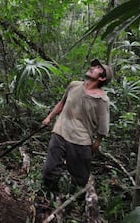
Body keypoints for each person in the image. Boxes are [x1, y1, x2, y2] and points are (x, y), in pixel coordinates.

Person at [41, 59, 113, 193]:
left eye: (98, 68)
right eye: (93, 65)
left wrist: (96, 144)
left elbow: (103, 128)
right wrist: (49, 117)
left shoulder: (102, 100)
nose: (92, 67)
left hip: (80, 141)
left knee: (80, 178)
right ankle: (48, 196)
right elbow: (62, 103)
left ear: (102, 78)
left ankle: (74, 203)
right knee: (49, 170)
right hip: (60, 132)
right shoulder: (74, 85)